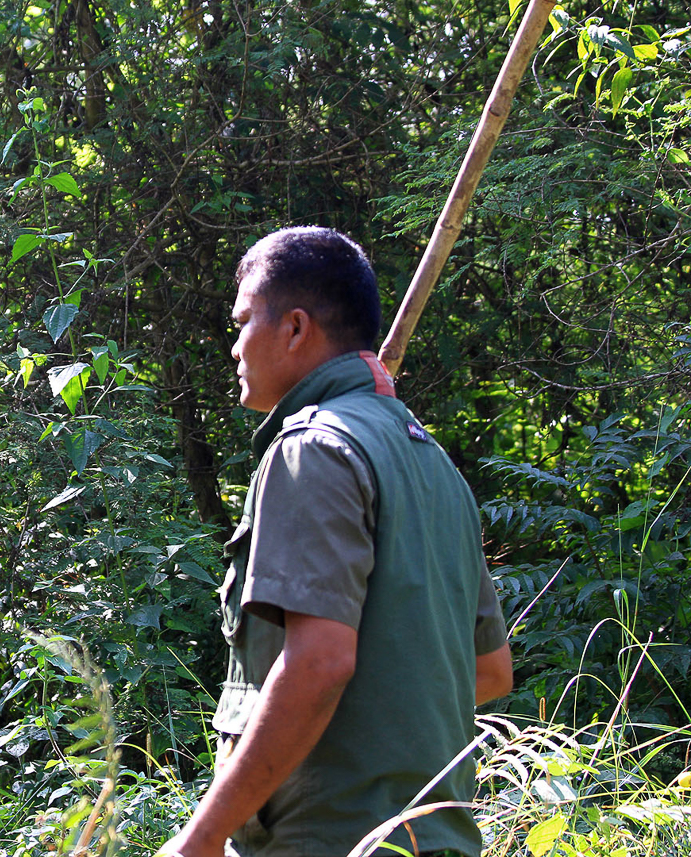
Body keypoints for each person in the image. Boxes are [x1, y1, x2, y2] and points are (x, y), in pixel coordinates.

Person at [158, 228, 513, 857]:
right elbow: (488, 672)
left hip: (330, 839)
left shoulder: (313, 451)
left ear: (295, 328)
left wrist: (201, 838)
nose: (234, 348)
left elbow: (319, 665)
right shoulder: (433, 464)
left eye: (242, 324)